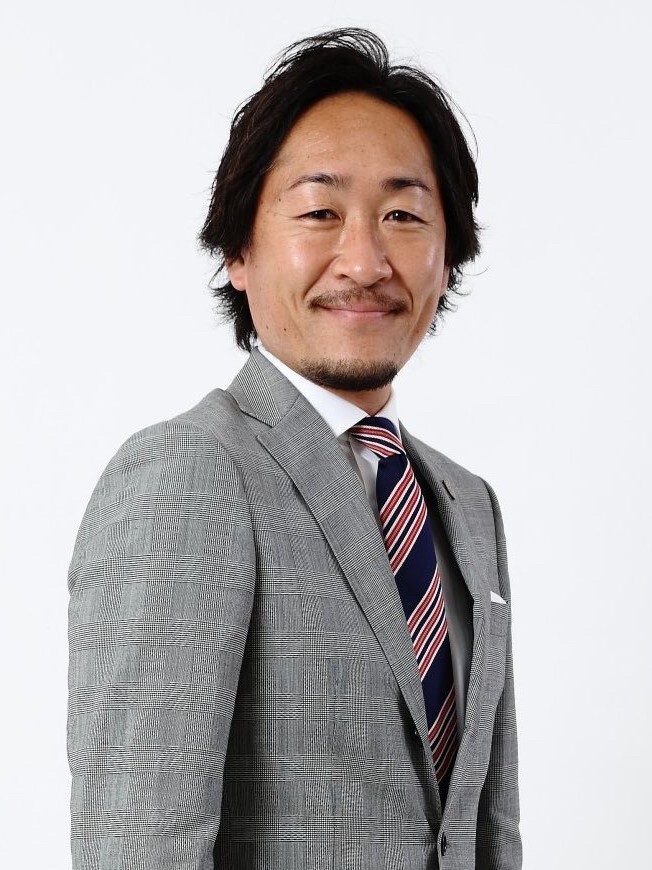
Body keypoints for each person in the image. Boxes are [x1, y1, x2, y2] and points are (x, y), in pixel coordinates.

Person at [67, 28, 521, 870]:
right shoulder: (190, 473)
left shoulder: (467, 504)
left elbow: (485, 835)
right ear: (238, 251)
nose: (366, 261)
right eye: (320, 213)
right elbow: (138, 846)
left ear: (448, 254)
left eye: (403, 215)